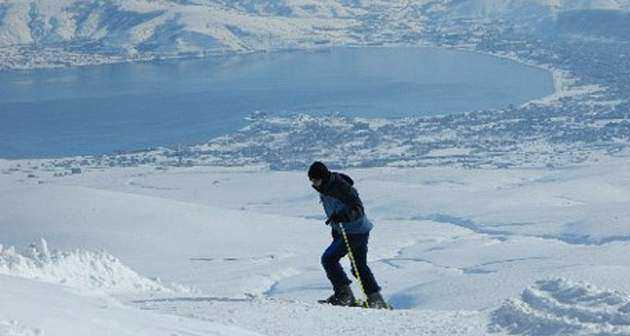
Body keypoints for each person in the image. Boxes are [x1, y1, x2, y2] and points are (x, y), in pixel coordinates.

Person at [308, 161, 388, 309]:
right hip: (354, 230)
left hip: (353, 231)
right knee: (358, 265)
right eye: (312, 180)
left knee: (329, 259)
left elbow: (358, 208)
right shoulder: (326, 187)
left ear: (323, 177)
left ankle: (344, 296)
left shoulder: (340, 187)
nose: (314, 184)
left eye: (315, 180)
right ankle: (375, 299)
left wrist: (344, 217)